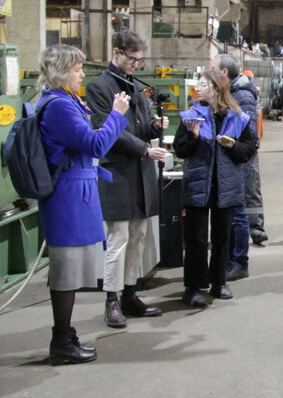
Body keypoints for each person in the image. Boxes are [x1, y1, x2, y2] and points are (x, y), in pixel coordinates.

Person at [37, 44, 130, 364]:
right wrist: (116, 115)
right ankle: (61, 341)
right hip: (68, 198)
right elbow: (96, 144)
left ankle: (65, 336)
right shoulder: (59, 106)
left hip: (77, 192)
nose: (81, 75)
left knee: (72, 270)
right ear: (61, 71)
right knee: (66, 271)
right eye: (77, 70)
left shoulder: (65, 101)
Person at [84, 30, 167, 329]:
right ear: (116, 52)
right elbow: (108, 130)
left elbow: (138, 128)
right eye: (131, 59)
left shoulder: (136, 86)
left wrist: (154, 126)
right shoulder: (98, 88)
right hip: (118, 172)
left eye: (138, 60)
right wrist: (144, 149)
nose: (135, 64)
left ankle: (130, 294)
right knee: (117, 239)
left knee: (138, 237)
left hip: (141, 173)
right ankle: (112, 299)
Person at [173, 70, 257, 307]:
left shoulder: (238, 117)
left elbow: (249, 149)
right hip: (198, 186)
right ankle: (193, 288)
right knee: (196, 239)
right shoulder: (191, 116)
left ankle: (219, 282)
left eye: (203, 85)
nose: (198, 89)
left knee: (222, 238)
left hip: (226, 187)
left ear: (216, 88)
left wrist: (232, 145)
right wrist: (192, 136)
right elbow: (180, 150)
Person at [211, 55, 268, 253]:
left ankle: (256, 229)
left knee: (248, 189)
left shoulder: (242, 95)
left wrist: (238, 147)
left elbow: (248, 130)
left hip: (242, 150)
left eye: (212, 68)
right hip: (234, 148)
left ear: (224, 72)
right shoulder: (231, 90)